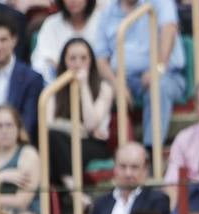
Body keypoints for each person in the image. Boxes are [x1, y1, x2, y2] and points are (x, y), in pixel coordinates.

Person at [92, 0, 185, 150]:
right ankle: (104, 150)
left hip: (164, 74)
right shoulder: (107, 12)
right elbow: (101, 59)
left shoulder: (160, 2)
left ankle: (151, 151)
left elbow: (169, 30)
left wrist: (158, 67)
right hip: (122, 78)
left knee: (159, 86)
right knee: (102, 89)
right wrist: (117, 85)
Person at [42, 38, 112, 192]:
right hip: (62, 142)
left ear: (91, 61)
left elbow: (90, 124)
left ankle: (69, 192)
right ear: (64, 62)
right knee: (51, 139)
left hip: (93, 144)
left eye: (83, 58)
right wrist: (77, 129)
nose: (78, 63)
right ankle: (73, 190)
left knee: (54, 148)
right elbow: (48, 125)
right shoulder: (53, 90)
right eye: (72, 58)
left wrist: (84, 86)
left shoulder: (104, 88)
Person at [33, 0, 103, 83]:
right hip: (59, 85)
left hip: (96, 84)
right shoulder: (51, 24)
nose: (73, 1)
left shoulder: (101, 21)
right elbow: (39, 62)